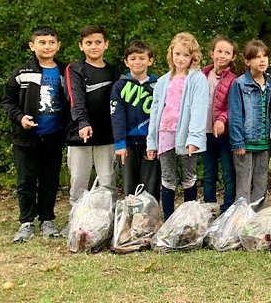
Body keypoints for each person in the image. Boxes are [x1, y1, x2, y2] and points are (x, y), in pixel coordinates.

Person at [2, 26, 68, 242]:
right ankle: (26, 222)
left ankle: (47, 219)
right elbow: (7, 101)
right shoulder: (22, 72)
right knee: (26, 180)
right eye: (42, 42)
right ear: (32, 46)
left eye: (51, 42)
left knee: (50, 179)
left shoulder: (65, 72)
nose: (47, 46)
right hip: (26, 138)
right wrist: (20, 117)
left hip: (54, 136)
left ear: (58, 46)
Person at [147, 32, 209, 219]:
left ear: (193, 57)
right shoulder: (162, 81)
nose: (181, 58)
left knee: (188, 176)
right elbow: (155, 112)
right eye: (177, 54)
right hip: (165, 133)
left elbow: (199, 109)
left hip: (186, 135)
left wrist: (194, 138)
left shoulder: (198, 79)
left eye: (186, 55)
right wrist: (152, 142)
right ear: (171, 54)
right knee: (168, 177)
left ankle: (188, 220)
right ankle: (168, 219)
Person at [64, 25, 118, 204]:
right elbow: (75, 98)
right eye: (88, 43)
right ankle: (76, 217)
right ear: (81, 46)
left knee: (108, 182)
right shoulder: (75, 69)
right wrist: (82, 122)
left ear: (106, 44)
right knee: (78, 182)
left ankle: (108, 217)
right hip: (80, 135)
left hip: (107, 136)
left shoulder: (113, 71)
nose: (93, 46)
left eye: (98, 42)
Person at [110, 40, 159, 199]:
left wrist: (157, 142)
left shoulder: (157, 85)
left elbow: (162, 115)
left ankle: (150, 214)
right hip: (128, 143)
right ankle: (130, 213)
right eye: (133, 58)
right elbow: (116, 115)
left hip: (150, 142)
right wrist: (120, 143)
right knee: (130, 186)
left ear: (150, 61)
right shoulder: (119, 86)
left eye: (142, 58)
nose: (137, 62)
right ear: (126, 62)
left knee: (150, 185)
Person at [229, 40, 271, 210]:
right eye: (257, 57)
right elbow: (235, 115)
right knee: (243, 184)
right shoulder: (239, 84)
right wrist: (238, 142)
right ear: (248, 62)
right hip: (245, 143)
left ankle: (257, 218)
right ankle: (241, 218)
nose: (262, 60)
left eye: (265, 56)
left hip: (264, 143)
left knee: (261, 183)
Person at [202, 36, 238, 213]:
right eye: (219, 51)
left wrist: (221, 119)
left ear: (233, 57)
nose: (222, 55)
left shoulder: (233, 79)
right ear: (212, 53)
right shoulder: (202, 75)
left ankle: (228, 208)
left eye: (227, 53)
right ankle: (209, 208)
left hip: (224, 134)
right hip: (205, 133)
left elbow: (232, 106)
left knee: (228, 172)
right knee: (209, 173)